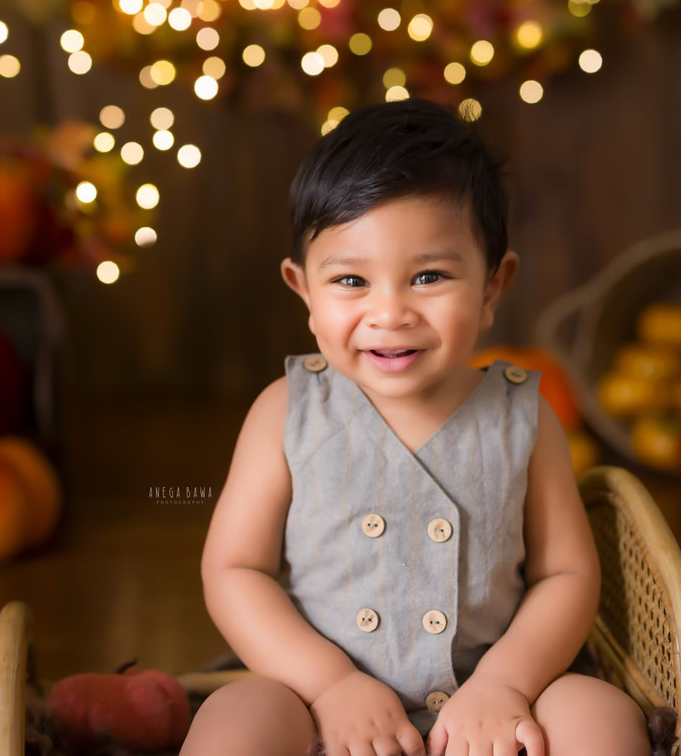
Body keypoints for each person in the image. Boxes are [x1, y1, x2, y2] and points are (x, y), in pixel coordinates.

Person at [184, 98, 651, 756]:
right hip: (321, 708)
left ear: (493, 286)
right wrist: (328, 684)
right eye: (351, 280)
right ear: (304, 292)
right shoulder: (287, 412)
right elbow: (235, 569)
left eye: (429, 276)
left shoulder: (523, 417)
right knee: (235, 718)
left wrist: (507, 685)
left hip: (488, 707)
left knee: (598, 715)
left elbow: (566, 575)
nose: (390, 313)